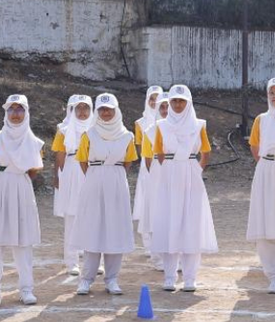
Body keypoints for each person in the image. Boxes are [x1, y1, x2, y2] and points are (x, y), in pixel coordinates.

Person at [0, 94, 44, 307]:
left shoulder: (35, 142)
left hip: (22, 187)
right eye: (11, 109)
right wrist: (3, 180)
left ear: (26, 112)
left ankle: (26, 289)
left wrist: (16, 177)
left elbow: (33, 170)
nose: (15, 114)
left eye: (19, 109)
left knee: (23, 241)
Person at [150, 84, 217, 292]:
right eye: (174, 101)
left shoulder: (198, 125)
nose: (178, 105)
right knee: (169, 223)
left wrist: (196, 169)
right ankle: (169, 277)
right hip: (168, 175)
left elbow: (205, 151)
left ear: (188, 103)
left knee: (191, 225)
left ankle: (190, 277)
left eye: (182, 101)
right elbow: (158, 152)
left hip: (190, 173)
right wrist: (169, 168)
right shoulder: (161, 125)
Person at [70, 93, 136, 295]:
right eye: (102, 110)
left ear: (116, 111)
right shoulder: (89, 135)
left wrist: (113, 174)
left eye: (109, 109)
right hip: (94, 180)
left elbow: (129, 160)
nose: (106, 113)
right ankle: (86, 279)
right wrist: (97, 174)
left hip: (116, 182)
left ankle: (112, 279)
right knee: (93, 227)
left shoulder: (127, 136)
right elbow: (82, 160)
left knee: (115, 228)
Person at [51, 94, 93, 275]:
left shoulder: (97, 128)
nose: (82, 112)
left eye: (86, 108)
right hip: (71, 169)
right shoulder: (63, 129)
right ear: (72, 110)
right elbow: (59, 155)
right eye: (79, 108)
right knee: (72, 216)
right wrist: (59, 176)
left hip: (92, 170)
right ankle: (72, 261)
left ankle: (92, 258)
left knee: (92, 215)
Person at [131, 86, 164, 270]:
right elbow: (140, 147)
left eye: (157, 99)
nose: (154, 102)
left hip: (165, 164)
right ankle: (148, 244)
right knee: (146, 201)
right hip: (148, 163)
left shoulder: (170, 120)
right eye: (151, 99)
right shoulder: (141, 123)